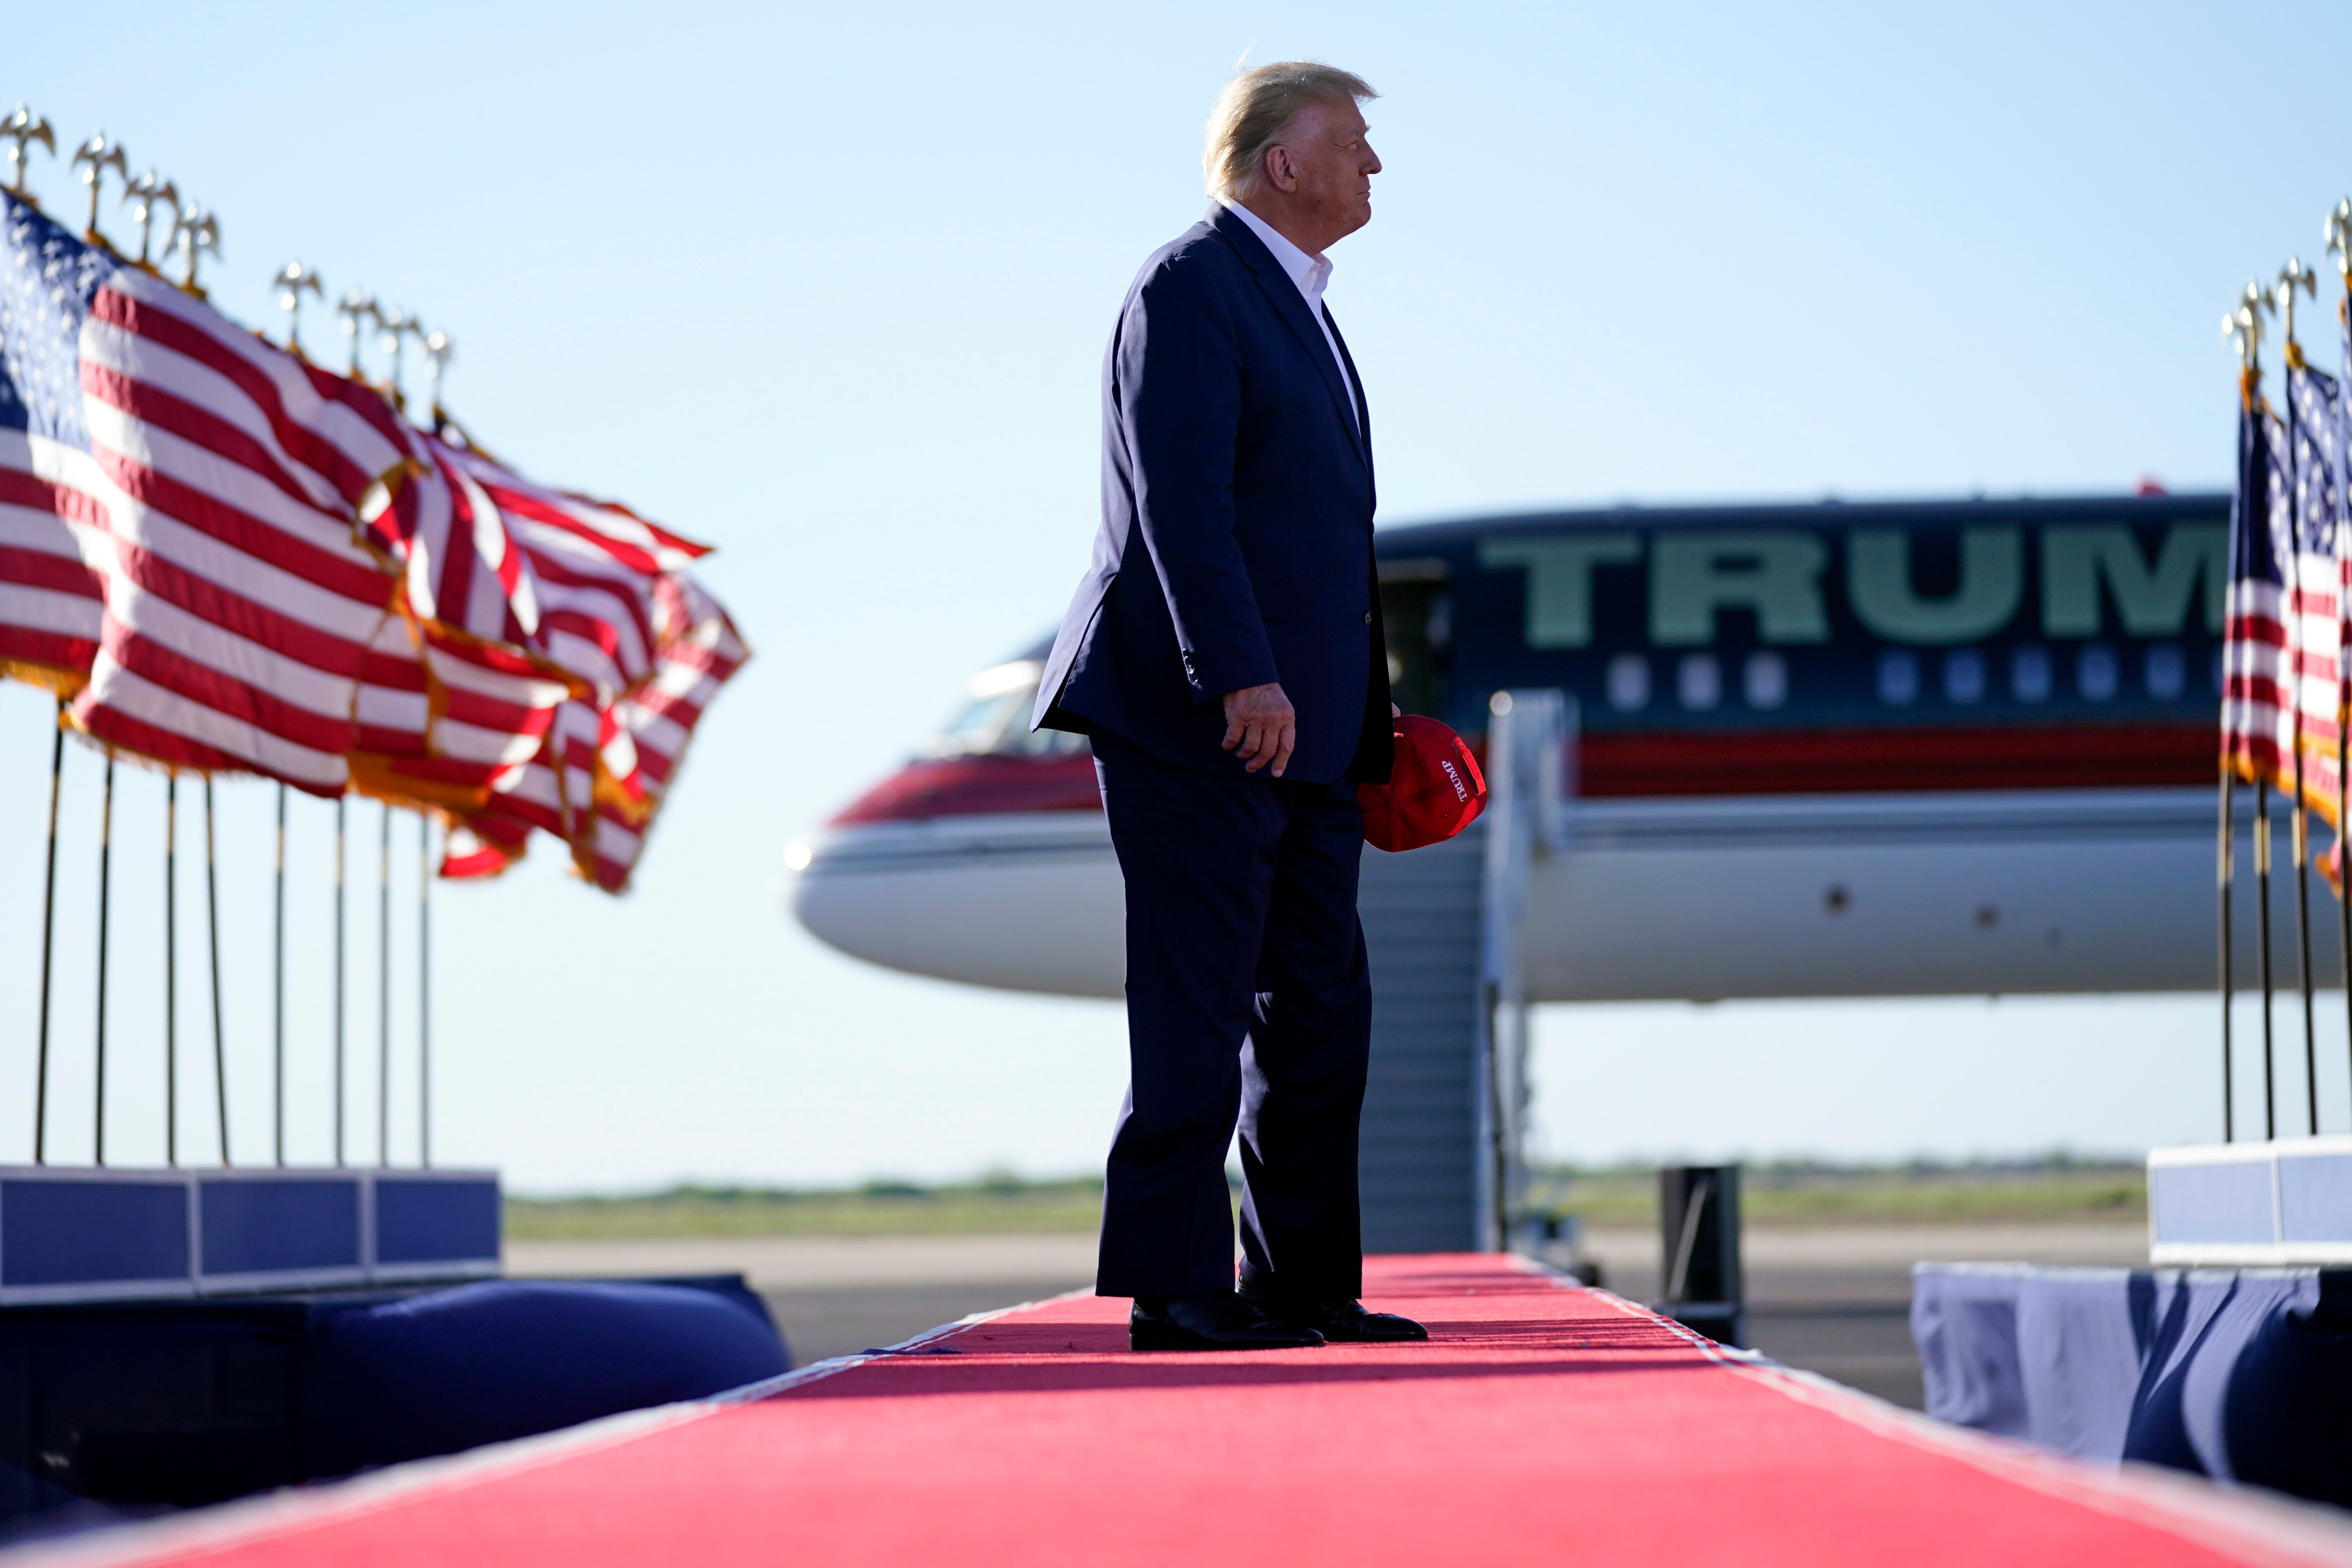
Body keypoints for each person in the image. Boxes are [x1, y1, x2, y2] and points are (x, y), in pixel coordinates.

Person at [1032, 61, 1428, 1352]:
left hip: (1308, 727)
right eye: (1353, 144)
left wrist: (1363, 710)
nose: (1374, 167)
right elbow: (1180, 507)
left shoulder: (1301, 305)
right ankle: (1174, 1282)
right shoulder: (1193, 285)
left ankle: (1303, 1282)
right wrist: (1238, 674)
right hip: (1204, 713)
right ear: (1281, 165)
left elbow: (1313, 537)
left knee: (1318, 1013)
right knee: (1198, 1004)